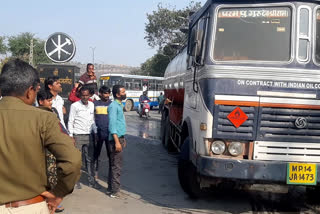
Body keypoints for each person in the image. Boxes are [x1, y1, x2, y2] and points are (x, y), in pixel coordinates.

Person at [0, 59, 81, 214]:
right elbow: (72, 161)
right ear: (30, 91)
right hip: (28, 206)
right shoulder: (43, 118)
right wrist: (58, 193)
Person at [37, 90, 70, 213]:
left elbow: (60, 126)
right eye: (48, 100)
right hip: (42, 150)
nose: (51, 102)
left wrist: (66, 136)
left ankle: (51, 201)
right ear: (41, 101)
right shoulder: (36, 114)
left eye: (51, 100)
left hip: (52, 150)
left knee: (53, 176)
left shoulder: (53, 112)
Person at [68, 86, 98, 189]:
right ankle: (75, 181)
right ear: (80, 95)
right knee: (77, 160)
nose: (85, 97)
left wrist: (95, 132)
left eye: (87, 95)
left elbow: (92, 120)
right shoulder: (75, 106)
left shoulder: (92, 105)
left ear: (90, 95)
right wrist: (71, 136)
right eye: (83, 95)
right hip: (78, 136)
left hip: (89, 135)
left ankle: (91, 180)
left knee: (90, 159)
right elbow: (70, 121)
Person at [107, 85, 127, 198]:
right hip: (115, 139)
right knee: (116, 166)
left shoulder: (119, 105)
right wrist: (117, 141)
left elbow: (120, 124)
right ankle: (115, 191)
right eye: (123, 92)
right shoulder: (114, 106)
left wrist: (123, 138)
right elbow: (112, 124)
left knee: (114, 164)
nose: (125, 93)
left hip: (119, 138)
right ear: (118, 94)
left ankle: (111, 188)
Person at [93, 85, 112, 179]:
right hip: (98, 133)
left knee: (111, 155)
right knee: (96, 154)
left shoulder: (111, 104)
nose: (107, 95)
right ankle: (95, 172)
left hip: (109, 134)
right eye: (105, 93)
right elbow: (92, 119)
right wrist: (95, 132)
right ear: (100, 94)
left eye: (108, 93)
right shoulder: (95, 104)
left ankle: (111, 174)